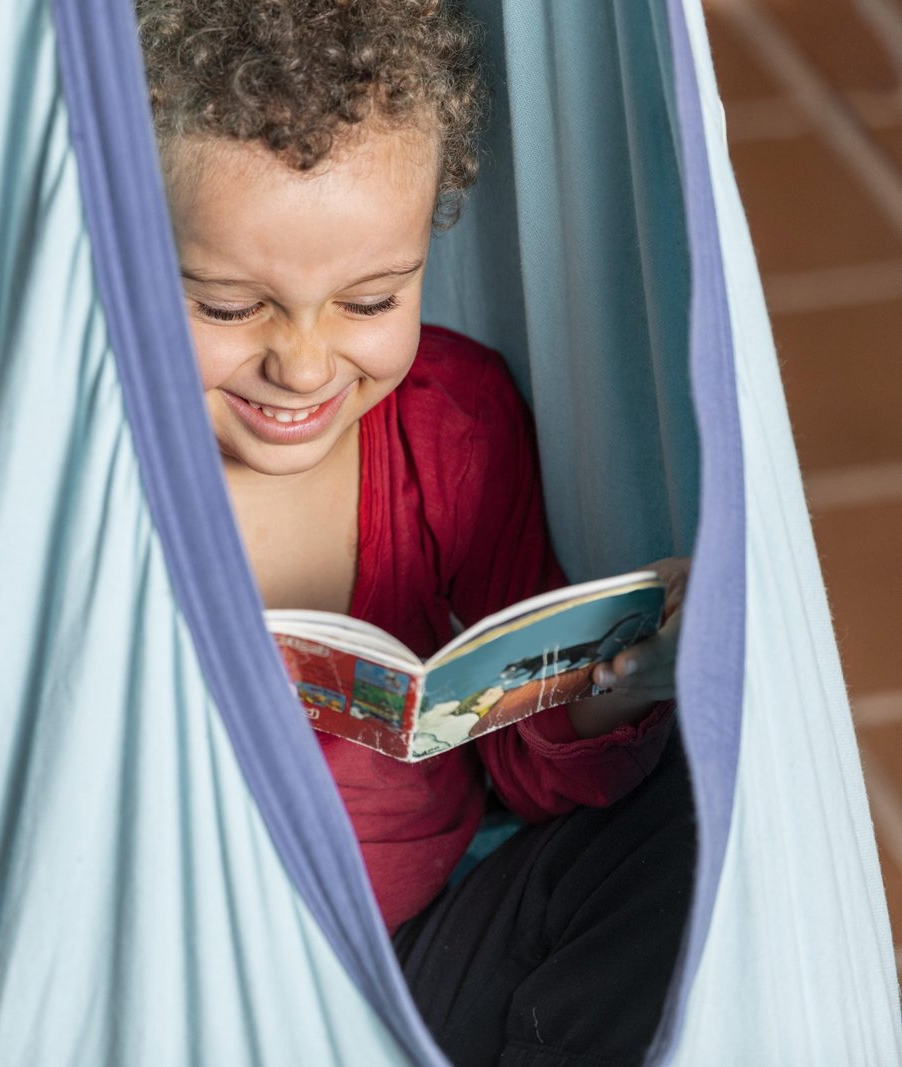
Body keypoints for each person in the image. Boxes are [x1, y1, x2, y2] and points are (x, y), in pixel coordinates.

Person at [137, 1, 698, 1063]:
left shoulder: (452, 420)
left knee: (692, 822)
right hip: (167, 988)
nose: (302, 367)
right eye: (223, 305)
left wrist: (620, 678)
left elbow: (533, 774)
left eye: (368, 299)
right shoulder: (85, 465)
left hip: (405, 962)